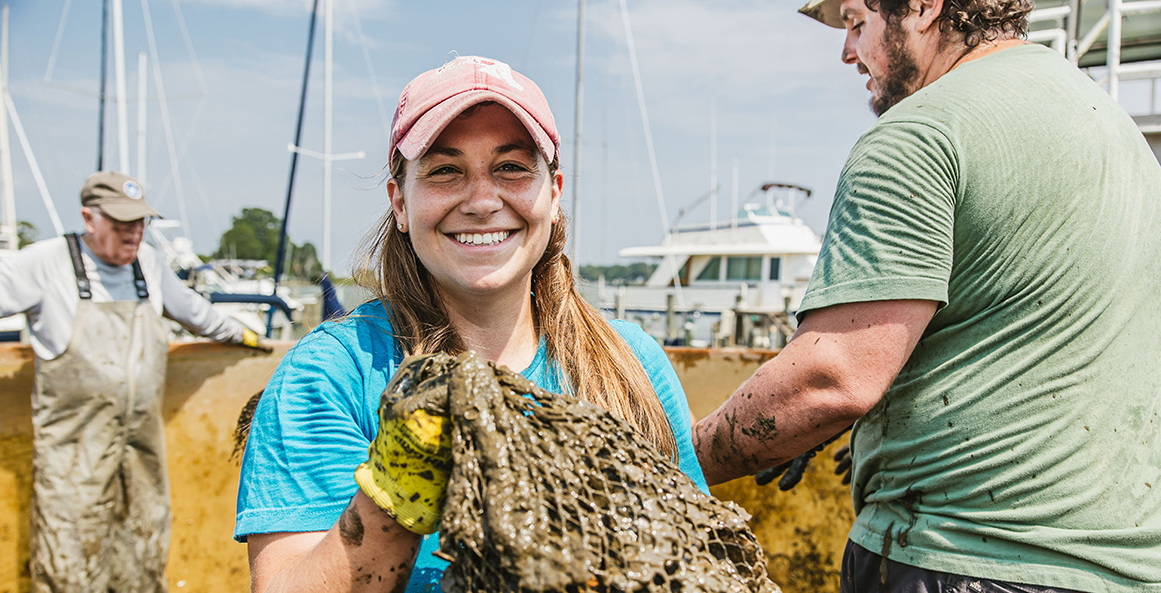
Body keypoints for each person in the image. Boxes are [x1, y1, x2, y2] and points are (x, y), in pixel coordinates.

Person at [693, 0, 1161, 589]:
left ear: (921, 7)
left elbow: (831, 380)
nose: (847, 52)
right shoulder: (1111, 127)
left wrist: (683, 456)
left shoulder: (918, 134)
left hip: (960, 555)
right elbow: (1035, 324)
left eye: (856, 22)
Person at [234, 55, 707, 593]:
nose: (482, 201)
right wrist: (395, 489)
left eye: (511, 167)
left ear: (553, 194)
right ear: (400, 203)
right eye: (444, 170)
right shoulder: (329, 376)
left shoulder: (633, 364)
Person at [0, 171, 272, 593]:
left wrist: (247, 337)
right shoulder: (45, 262)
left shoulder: (149, 265)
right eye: (122, 223)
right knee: (67, 560)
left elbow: (197, 314)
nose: (134, 233)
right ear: (89, 218)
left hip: (141, 450)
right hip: (71, 455)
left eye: (140, 223)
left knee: (142, 552)